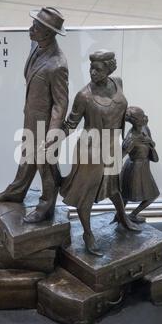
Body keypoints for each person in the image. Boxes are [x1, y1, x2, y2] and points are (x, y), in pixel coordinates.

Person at [0, 7, 69, 223]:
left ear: (49, 33)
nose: (30, 29)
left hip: (45, 126)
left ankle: (46, 207)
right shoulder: (36, 46)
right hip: (31, 118)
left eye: (36, 27)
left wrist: (53, 132)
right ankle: (17, 191)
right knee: (26, 157)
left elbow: (61, 103)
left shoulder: (57, 65)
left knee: (46, 167)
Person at [59, 50, 140, 257]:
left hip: (112, 145)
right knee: (86, 192)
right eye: (91, 68)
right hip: (90, 149)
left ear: (110, 69)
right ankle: (88, 234)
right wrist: (53, 139)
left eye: (98, 69)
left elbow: (121, 112)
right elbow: (71, 124)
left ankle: (122, 217)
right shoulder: (84, 96)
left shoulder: (118, 83)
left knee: (113, 185)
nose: (93, 72)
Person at [120, 106, 160, 223]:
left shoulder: (145, 128)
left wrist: (150, 142)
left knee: (152, 195)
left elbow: (152, 143)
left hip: (144, 166)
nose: (146, 117)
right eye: (143, 116)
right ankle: (121, 216)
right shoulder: (131, 138)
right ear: (137, 121)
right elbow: (121, 156)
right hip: (134, 169)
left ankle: (131, 215)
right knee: (126, 195)